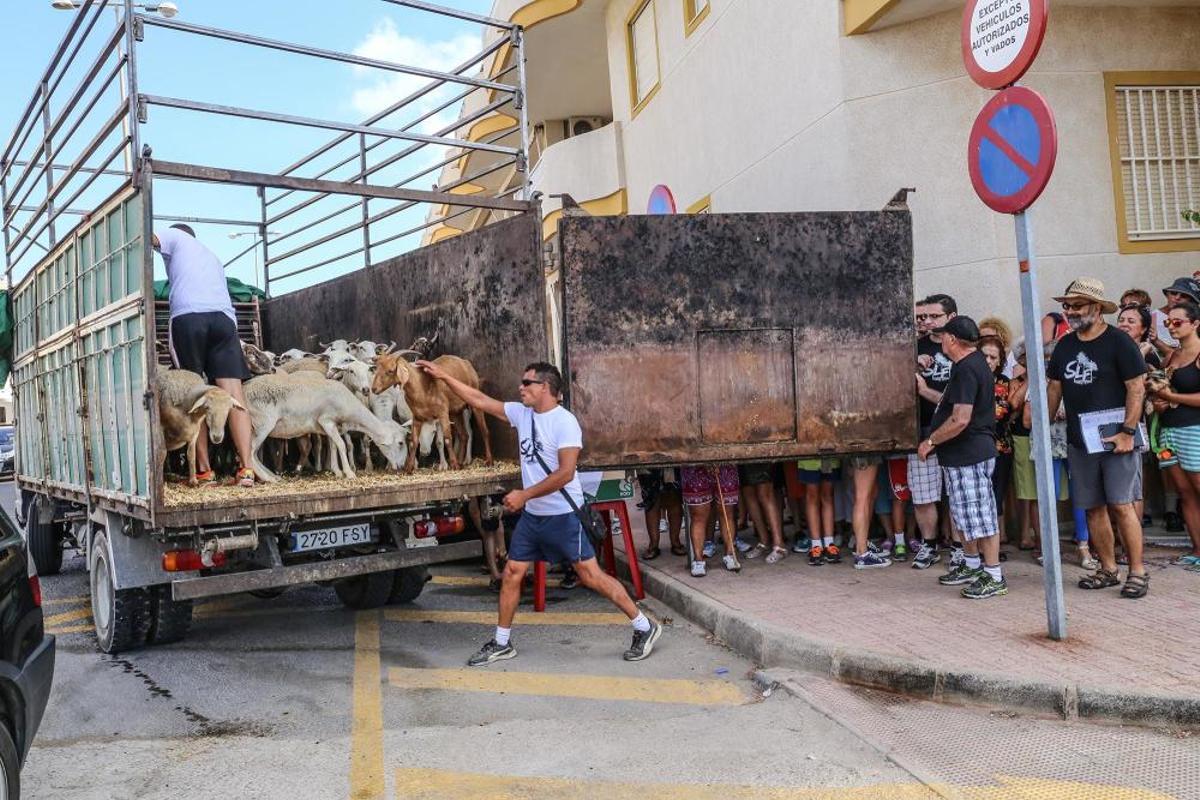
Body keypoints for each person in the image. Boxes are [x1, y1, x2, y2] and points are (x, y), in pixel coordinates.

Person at [415, 359, 662, 664]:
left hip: (564, 515)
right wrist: (442, 376)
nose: (520, 388)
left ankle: (644, 625)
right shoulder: (522, 414)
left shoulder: (564, 422)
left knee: (590, 575)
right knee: (513, 572)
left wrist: (524, 494)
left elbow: (566, 473)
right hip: (534, 516)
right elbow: (479, 399)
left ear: (545, 387)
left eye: (526, 383)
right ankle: (502, 642)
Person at [1046, 278, 1150, 599]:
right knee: (1092, 507)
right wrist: (1043, 427)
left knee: (1121, 505)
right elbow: (1054, 387)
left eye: (1077, 305)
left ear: (1097, 308)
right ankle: (1107, 568)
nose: (1071, 311)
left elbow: (1137, 386)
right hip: (1081, 439)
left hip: (1117, 434)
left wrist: (1128, 432)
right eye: (1067, 306)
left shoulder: (1119, 342)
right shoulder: (1065, 345)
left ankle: (1137, 571)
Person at [152, 223, 255, 487]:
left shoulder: (175, 236)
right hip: (224, 320)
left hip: (190, 316)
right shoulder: (212, 256)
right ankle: (246, 470)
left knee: (194, 391)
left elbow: (144, 237)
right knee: (233, 394)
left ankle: (204, 473)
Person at [917, 316, 1007, 598]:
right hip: (960, 456)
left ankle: (994, 575)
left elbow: (960, 418)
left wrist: (931, 440)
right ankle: (971, 565)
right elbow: (950, 404)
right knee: (964, 515)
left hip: (971, 453)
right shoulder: (968, 365)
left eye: (944, 336)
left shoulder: (968, 368)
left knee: (981, 515)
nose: (941, 340)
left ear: (953, 340)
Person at [1147, 301, 1200, 567]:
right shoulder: (1171, 356)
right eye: (1169, 322)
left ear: (1195, 324)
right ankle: (1197, 550)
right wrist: (1160, 401)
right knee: (1184, 492)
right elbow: (1161, 390)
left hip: (1194, 430)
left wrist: (1171, 396)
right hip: (1168, 431)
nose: (1172, 326)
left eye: (1178, 322)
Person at [910, 294, 957, 569]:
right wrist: (912, 363)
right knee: (924, 494)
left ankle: (961, 548)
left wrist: (928, 391)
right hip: (922, 428)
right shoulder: (914, 347)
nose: (926, 322)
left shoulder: (962, 347)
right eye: (921, 317)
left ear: (950, 317)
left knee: (956, 494)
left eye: (933, 316)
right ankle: (928, 546)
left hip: (955, 429)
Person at [979, 336, 1014, 549]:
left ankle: (993, 546)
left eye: (994, 357)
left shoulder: (1002, 382)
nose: (989, 361)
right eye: (984, 355)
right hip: (974, 449)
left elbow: (997, 413)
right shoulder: (968, 378)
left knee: (995, 496)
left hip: (999, 447)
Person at [681, 464, 742, 576]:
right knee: (698, 515)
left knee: (727, 512)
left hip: (724, 461)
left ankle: (729, 554)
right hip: (694, 463)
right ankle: (698, 560)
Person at [739, 463, 787, 563]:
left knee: (765, 493)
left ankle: (779, 545)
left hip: (760, 451)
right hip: (741, 452)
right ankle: (763, 541)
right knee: (748, 492)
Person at [798, 458, 842, 565]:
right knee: (812, 496)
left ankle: (829, 544)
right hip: (809, 457)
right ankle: (816, 545)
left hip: (829, 456)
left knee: (827, 495)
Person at [848, 457, 890, 568]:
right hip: (863, 448)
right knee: (862, 498)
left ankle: (862, 545)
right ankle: (862, 553)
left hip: (862, 448)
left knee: (868, 494)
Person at [636, 468, 685, 560]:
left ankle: (675, 542)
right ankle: (653, 545)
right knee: (651, 501)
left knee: (674, 498)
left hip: (672, 459)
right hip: (647, 460)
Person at [1150, 277, 1200, 359]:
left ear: (1192, 303)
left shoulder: (1195, 322)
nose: (1177, 298)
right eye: (1173, 293)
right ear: (1167, 295)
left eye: (1183, 296)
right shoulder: (1152, 316)